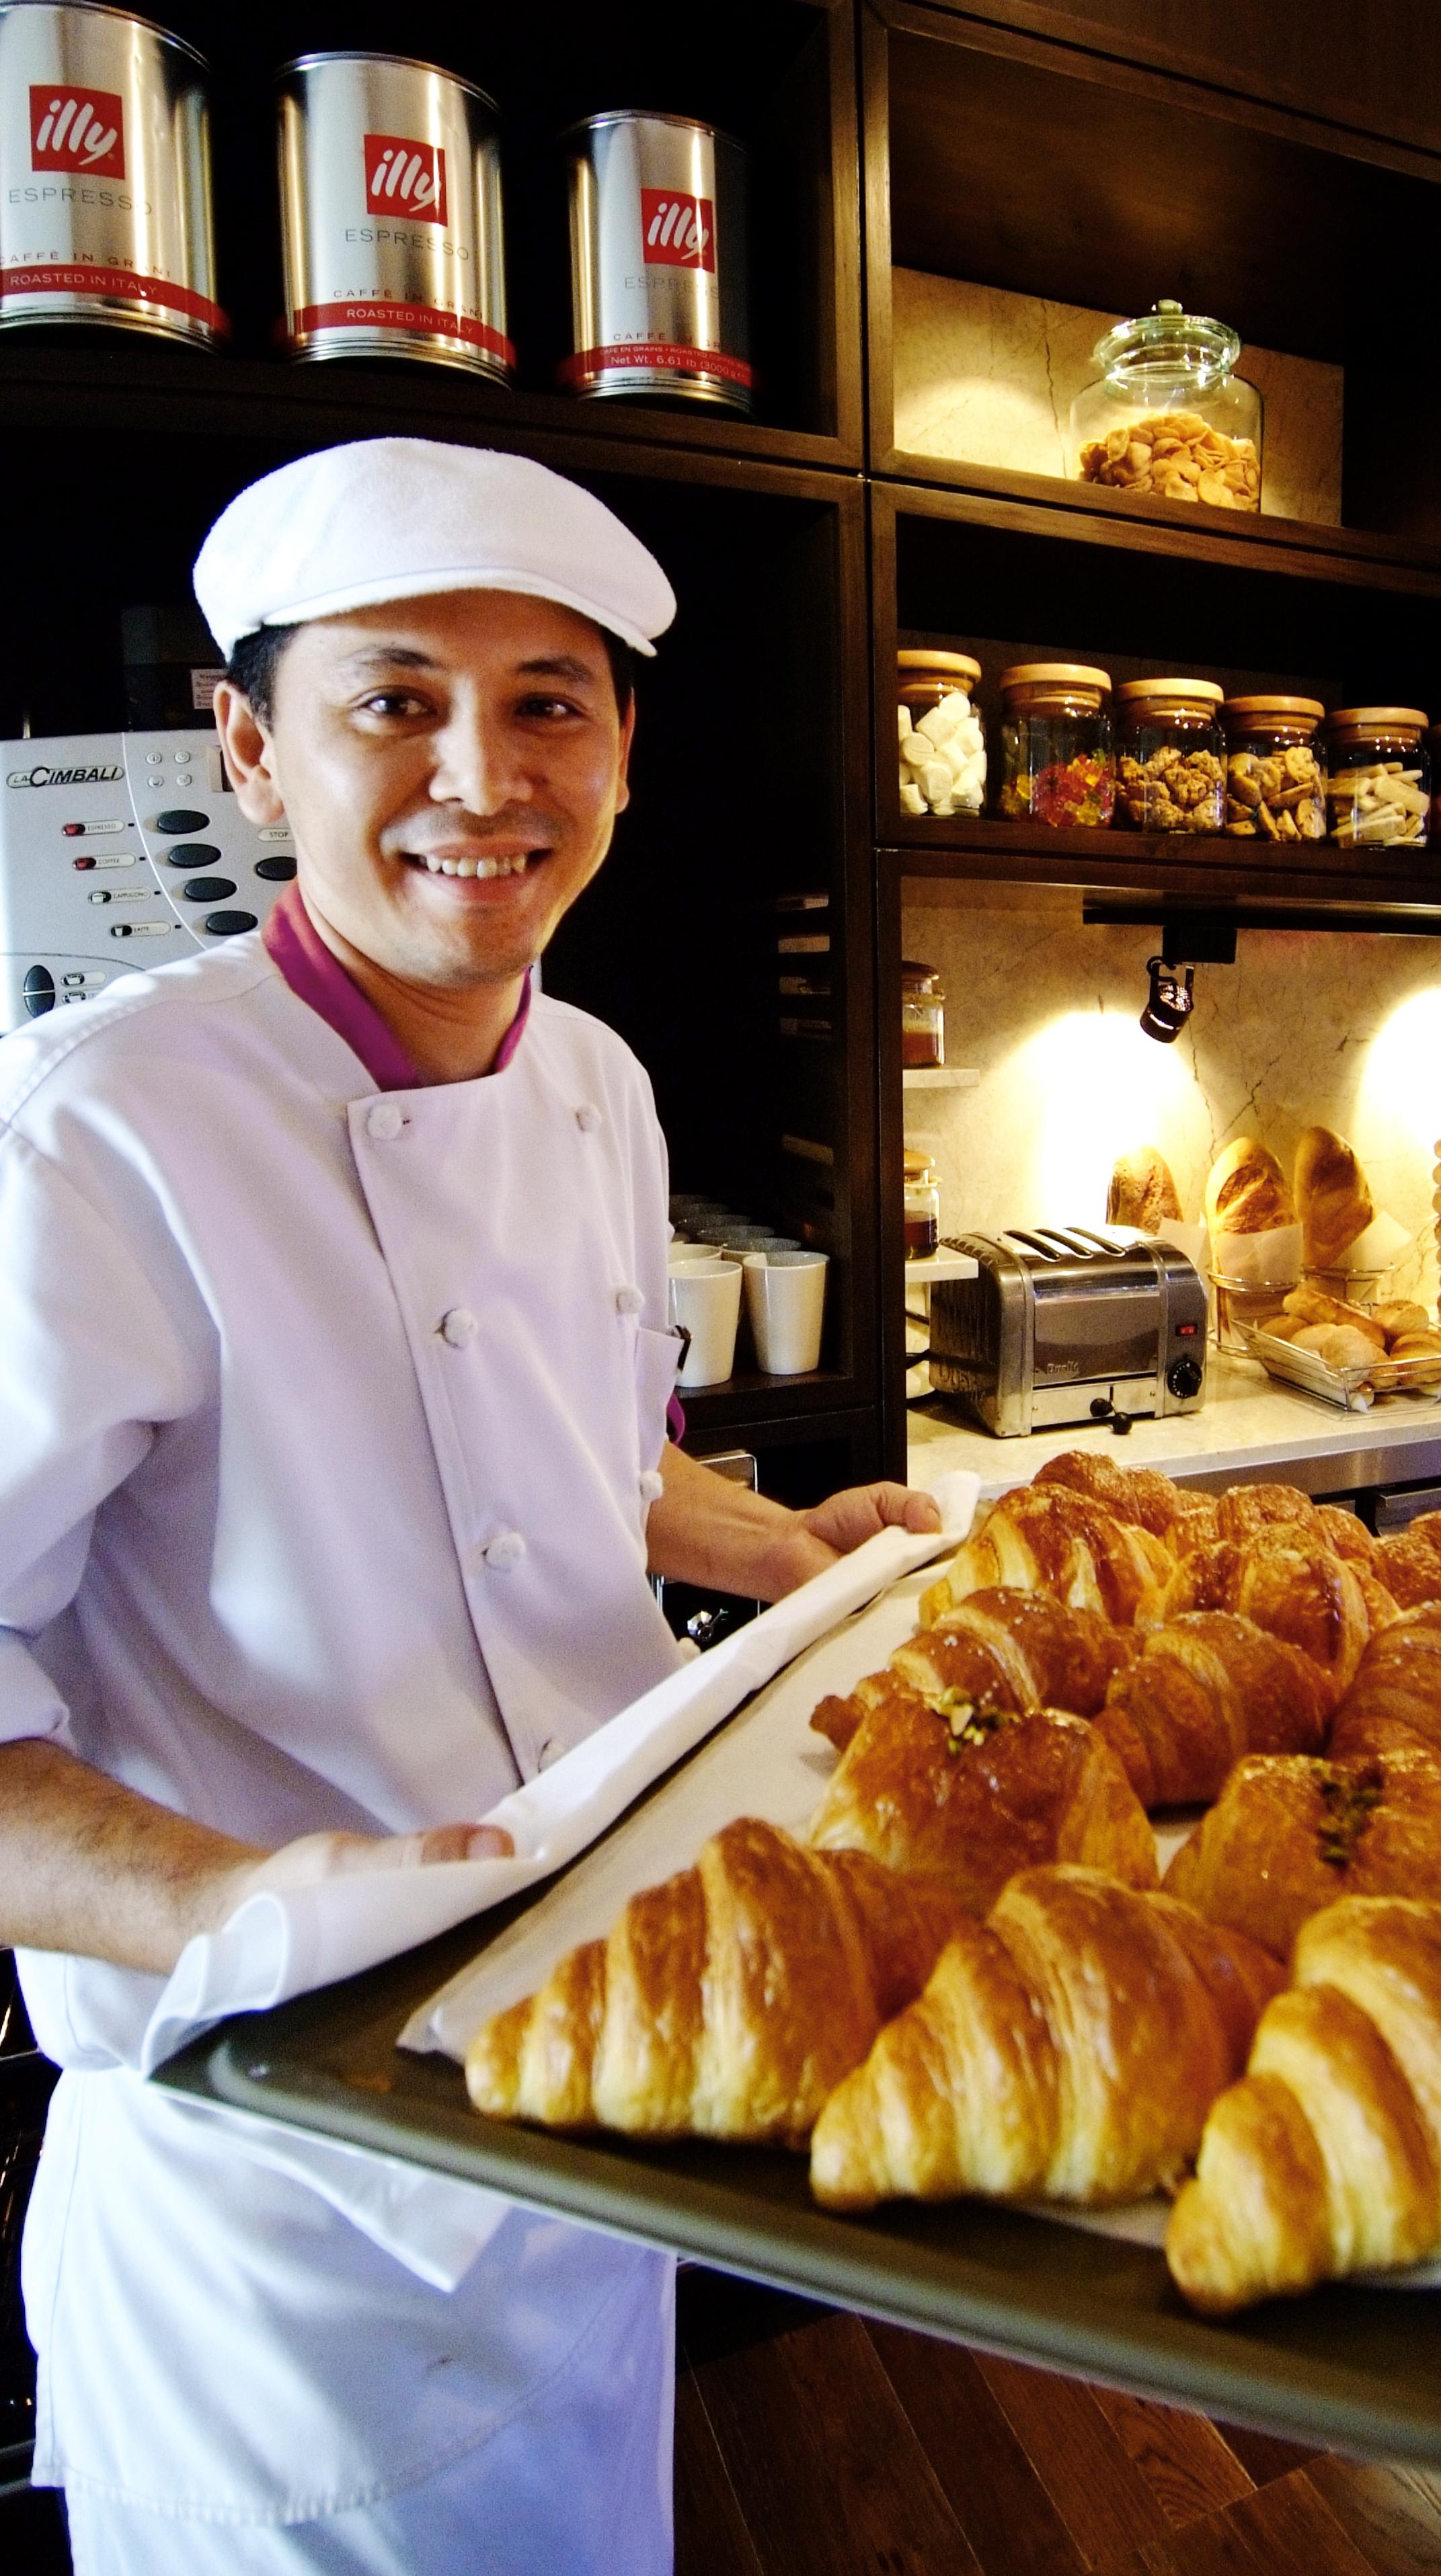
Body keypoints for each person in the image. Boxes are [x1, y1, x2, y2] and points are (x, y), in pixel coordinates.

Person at [0, 436, 939, 2573]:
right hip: (282, 2183)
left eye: (549, 705)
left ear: (622, 751)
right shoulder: (95, 1135)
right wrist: (249, 1910)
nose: (482, 775)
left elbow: (568, 1462)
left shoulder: (592, 1072)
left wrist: (774, 1552)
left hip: (596, 2063)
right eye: (393, 699)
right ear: (249, 749)